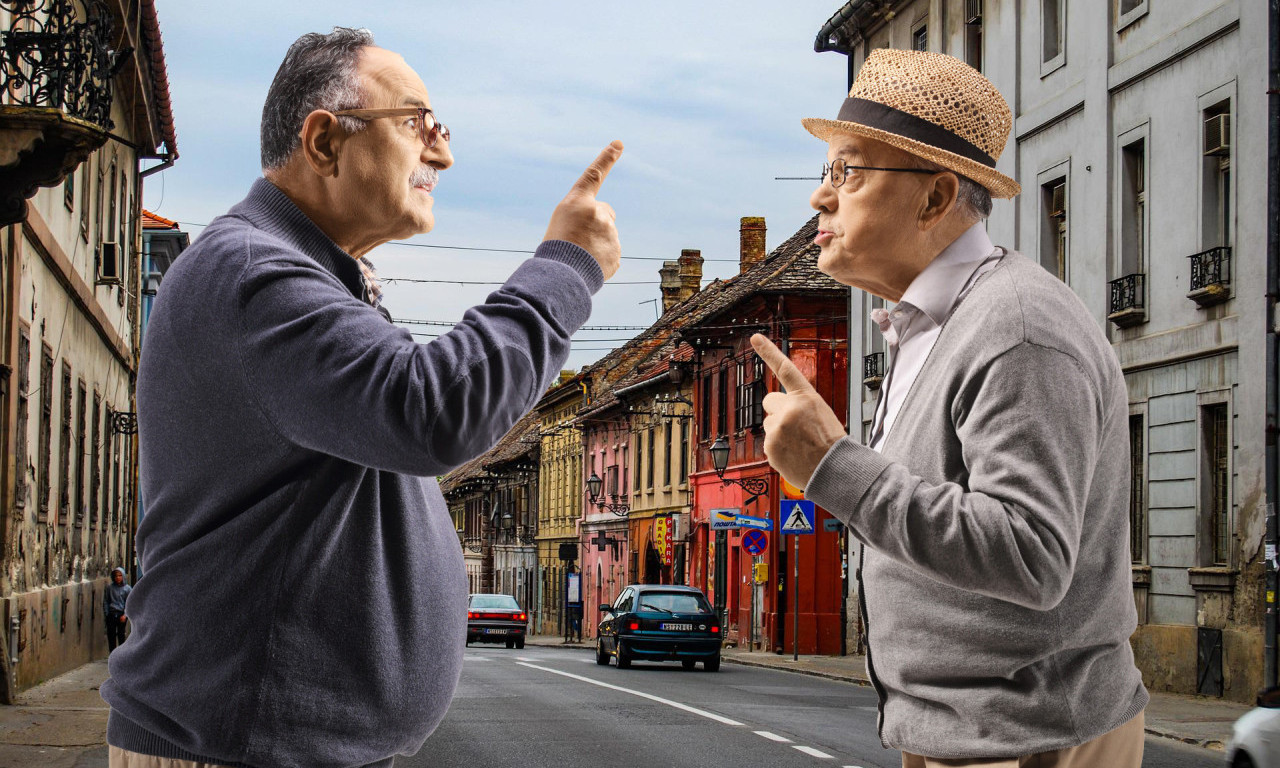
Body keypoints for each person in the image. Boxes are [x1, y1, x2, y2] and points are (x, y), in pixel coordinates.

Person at [101, 28, 622, 768]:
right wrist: (567, 268)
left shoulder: (303, 275)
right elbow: (434, 409)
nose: (441, 152)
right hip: (239, 747)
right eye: (418, 124)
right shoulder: (254, 275)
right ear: (323, 141)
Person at [750, 49, 1147, 768]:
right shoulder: (927, 325)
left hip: (1031, 741)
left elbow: (1031, 553)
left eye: (849, 172)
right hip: (959, 734)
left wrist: (833, 467)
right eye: (825, 172)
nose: (820, 196)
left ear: (934, 199)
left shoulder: (1018, 328)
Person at [103, 567, 131, 653]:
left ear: (123, 576)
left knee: (121, 634)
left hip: (121, 614)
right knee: (111, 635)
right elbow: (106, 601)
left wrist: (125, 615)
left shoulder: (127, 589)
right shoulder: (110, 588)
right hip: (111, 614)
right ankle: (112, 654)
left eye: (120, 576)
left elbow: (129, 603)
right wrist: (107, 613)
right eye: (116, 576)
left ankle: (121, 654)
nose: (118, 578)